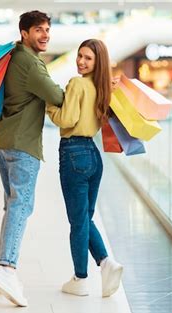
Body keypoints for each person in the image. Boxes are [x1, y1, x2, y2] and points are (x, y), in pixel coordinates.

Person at [0, 10, 64, 307]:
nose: (44, 35)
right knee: (21, 205)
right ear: (24, 33)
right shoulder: (30, 63)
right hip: (22, 144)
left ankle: (1, 266)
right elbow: (55, 95)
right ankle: (6, 268)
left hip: (4, 141)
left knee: (12, 205)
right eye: (38, 30)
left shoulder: (14, 56)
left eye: (47, 30)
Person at [46, 39, 123, 298]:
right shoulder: (102, 88)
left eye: (87, 58)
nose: (81, 61)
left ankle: (80, 278)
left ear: (97, 62)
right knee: (85, 219)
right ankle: (106, 263)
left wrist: (49, 105)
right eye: (80, 56)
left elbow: (66, 119)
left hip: (73, 153)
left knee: (78, 222)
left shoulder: (77, 83)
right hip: (93, 154)